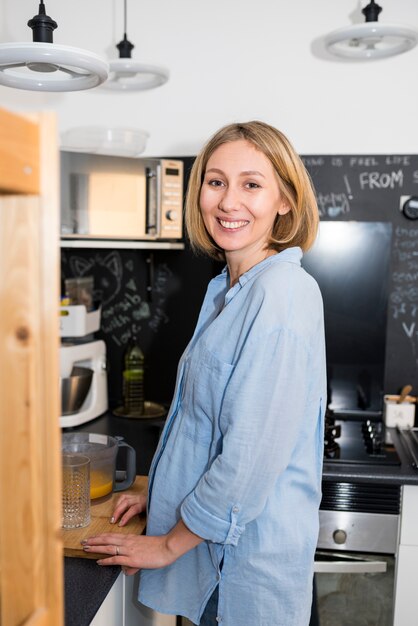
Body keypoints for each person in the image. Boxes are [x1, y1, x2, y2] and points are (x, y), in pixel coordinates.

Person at [82, 120, 327, 626]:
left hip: (240, 573)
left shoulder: (279, 297)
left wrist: (168, 545)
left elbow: (248, 459)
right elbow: (208, 424)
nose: (228, 202)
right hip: (212, 561)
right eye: (216, 182)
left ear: (285, 200)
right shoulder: (229, 290)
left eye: (251, 184)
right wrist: (161, 488)